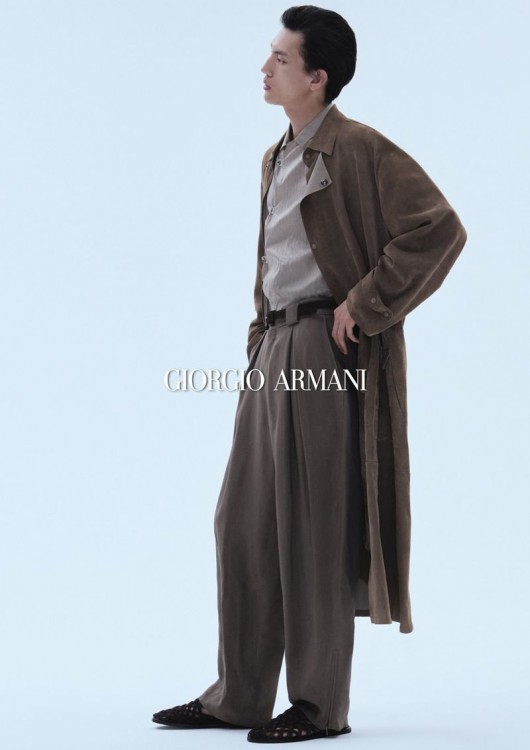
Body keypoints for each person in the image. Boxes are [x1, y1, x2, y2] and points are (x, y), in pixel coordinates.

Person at [152, 4, 467, 744]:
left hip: (325, 351)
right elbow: (275, 262)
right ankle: (238, 697)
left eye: (280, 59)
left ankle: (319, 706)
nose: (265, 68)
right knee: (243, 523)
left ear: (317, 77)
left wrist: (366, 302)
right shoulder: (276, 156)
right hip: (272, 351)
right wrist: (258, 342)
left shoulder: (358, 148)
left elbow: (439, 229)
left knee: (314, 523)